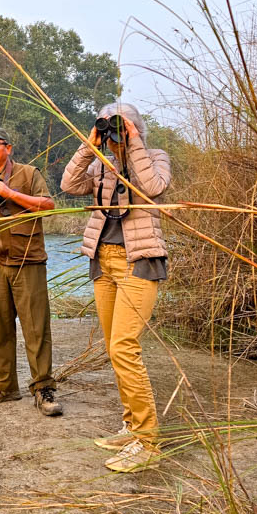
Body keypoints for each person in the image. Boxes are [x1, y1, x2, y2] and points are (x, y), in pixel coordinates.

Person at [60, 102, 170, 473]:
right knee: (113, 347)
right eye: (109, 128)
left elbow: (153, 187)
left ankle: (148, 441)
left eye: (118, 128)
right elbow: (68, 184)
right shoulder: (98, 164)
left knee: (125, 346)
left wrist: (133, 142)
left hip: (138, 261)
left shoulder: (155, 157)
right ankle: (131, 425)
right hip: (103, 260)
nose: (114, 135)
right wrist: (89, 144)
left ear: (135, 128)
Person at [0, 128, 62, 416]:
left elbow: (48, 206)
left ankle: (43, 388)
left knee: (35, 327)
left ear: (9, 148)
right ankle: (5, 385)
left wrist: (8, 192)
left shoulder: (28, 175)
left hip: (27, 260)